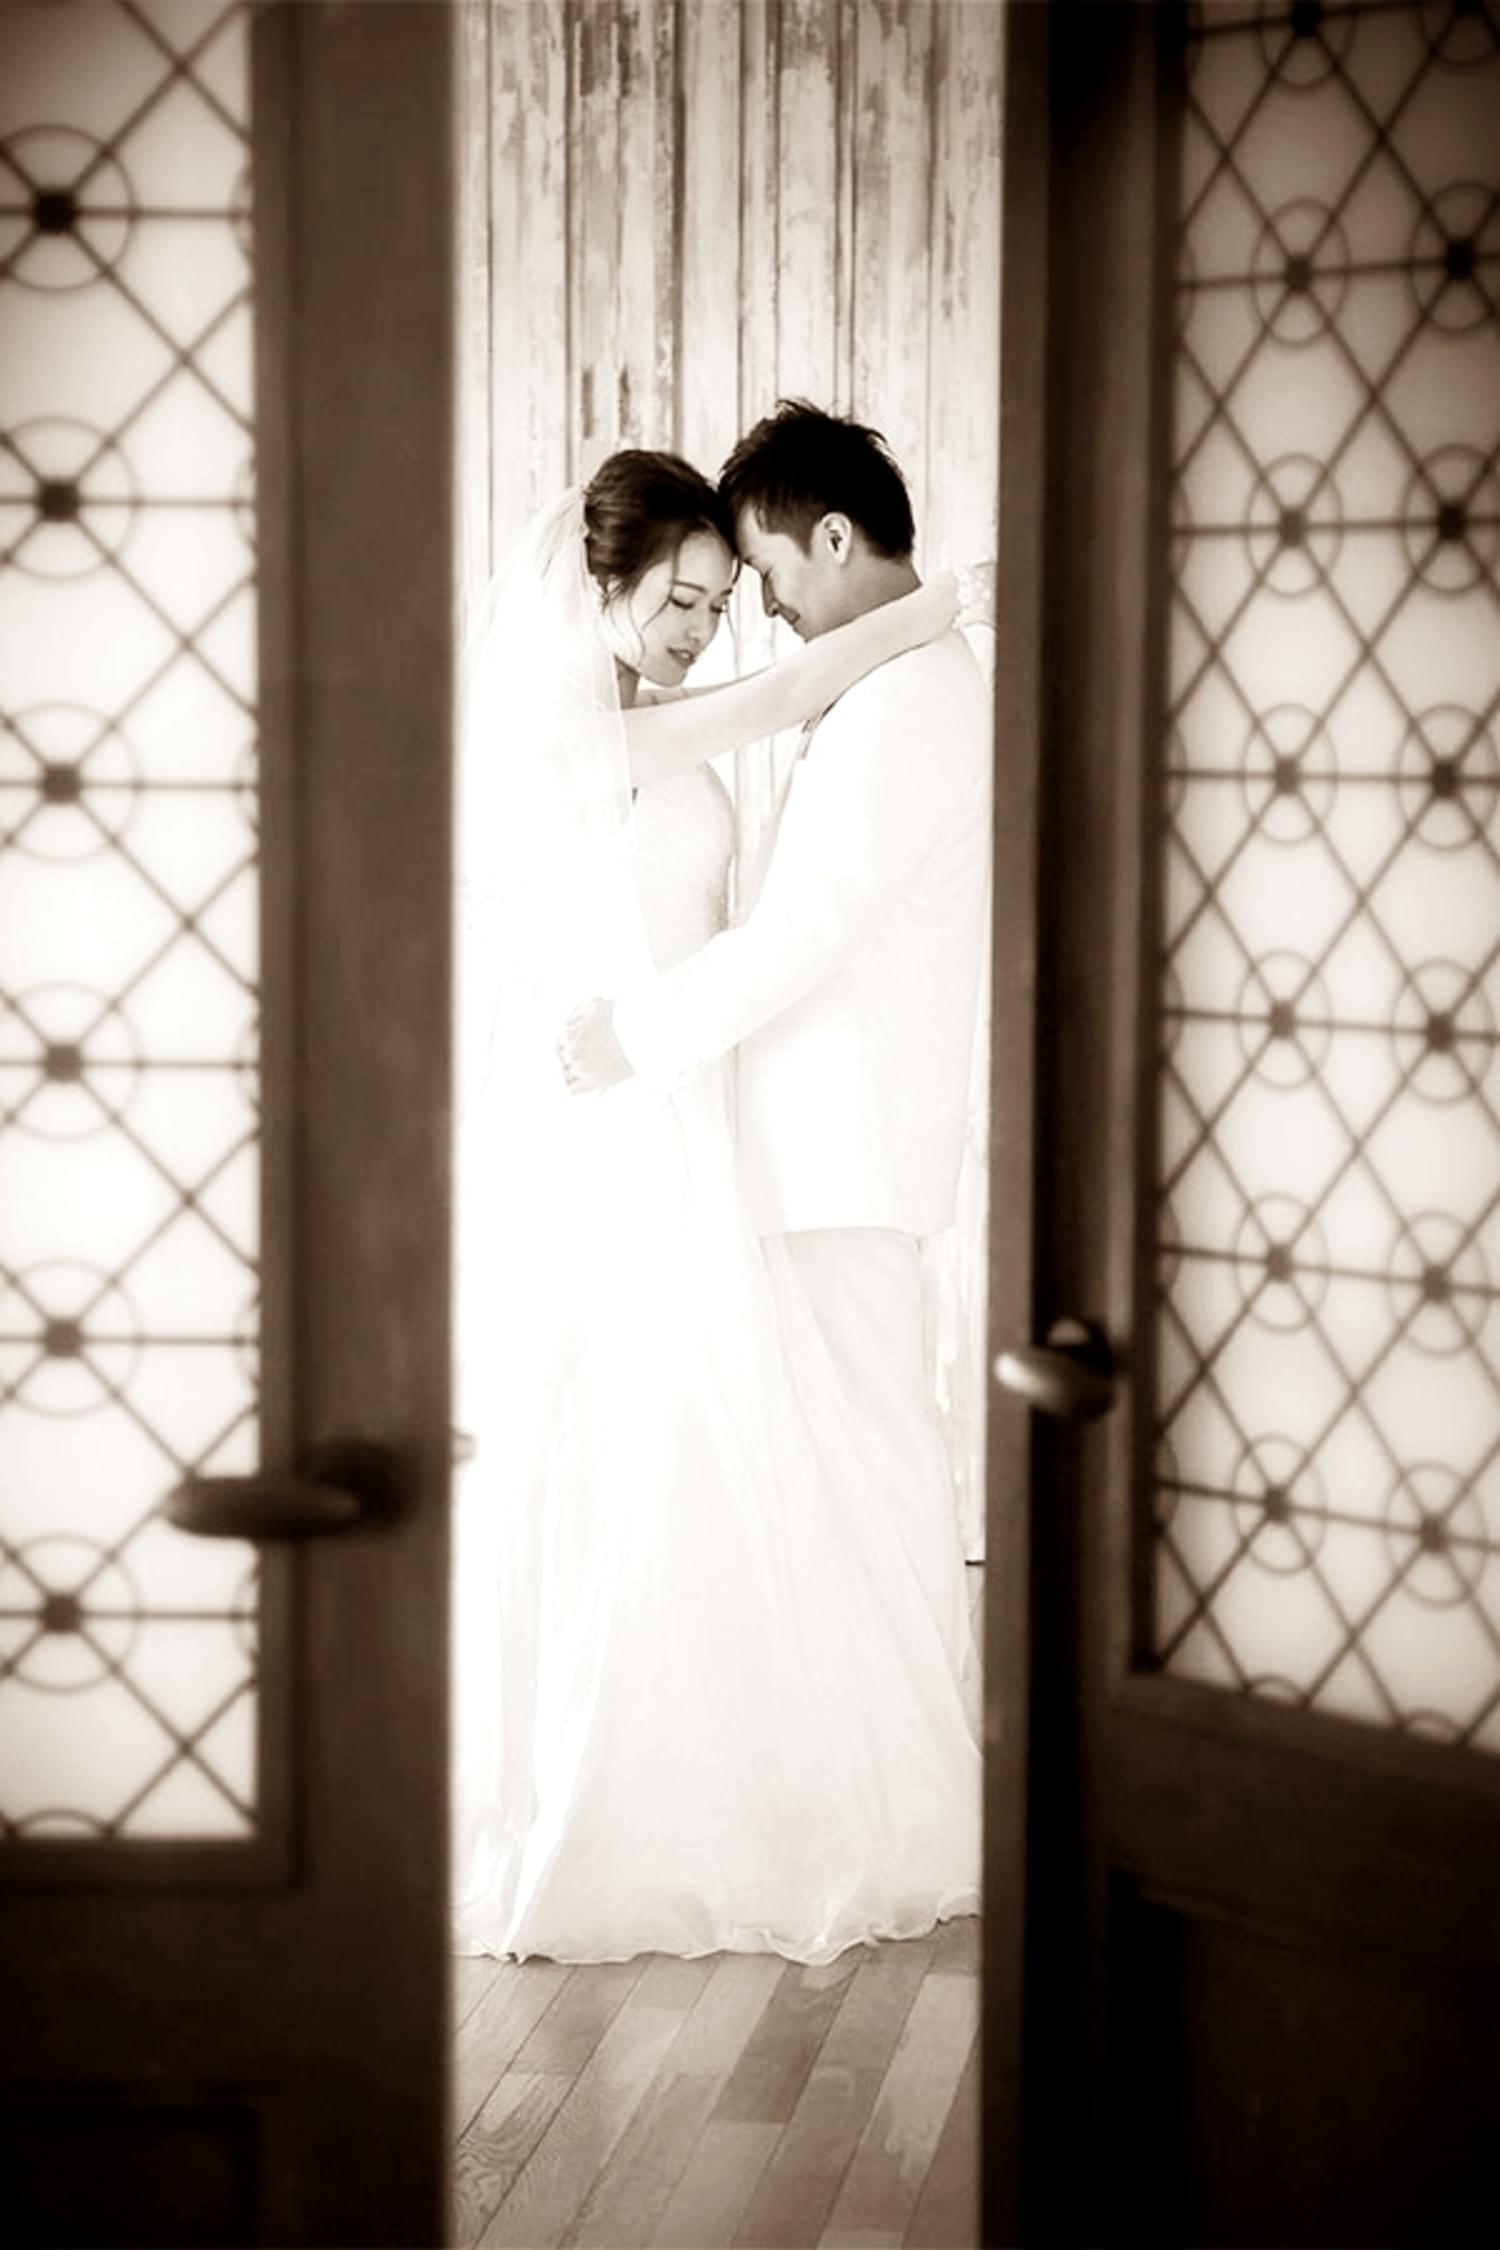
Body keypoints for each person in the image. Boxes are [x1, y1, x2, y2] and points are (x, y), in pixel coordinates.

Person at [453, 445, 981, 1964]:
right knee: (632, 1445)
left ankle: (759, 1765)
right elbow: (780, 702)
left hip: (696, 1102)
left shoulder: (823, 713)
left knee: (736, 1453)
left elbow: (791, 908)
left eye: (723, 595)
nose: (711, 624)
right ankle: (616, 1793)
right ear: (600, 591)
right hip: (625, 1111)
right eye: (682, 600)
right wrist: (945, 601)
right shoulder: (569, 727)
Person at [561, 402, 993, 1699]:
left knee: (882, 1458)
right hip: (792, 1145)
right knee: (830, 1471)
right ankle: (853, 1719)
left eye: (759, 573)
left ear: (837, 536)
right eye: (700, 594)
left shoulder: (909, 697)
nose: (755, 610)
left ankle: (922, 1738)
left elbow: (808, 926)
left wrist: (637, 1035)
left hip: (841, 1147)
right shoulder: (890, 680)